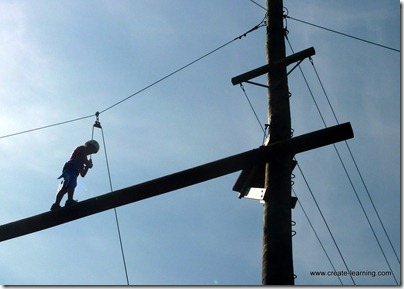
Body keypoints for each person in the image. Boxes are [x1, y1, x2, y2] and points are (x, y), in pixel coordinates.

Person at [50, 140, 100, 211]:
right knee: (71, 184)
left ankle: (56, 204)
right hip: (71, 167)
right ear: (88, 146)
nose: (90, 152)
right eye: (91, 149)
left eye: (92, 152)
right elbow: (83, 157)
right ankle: (69, 200)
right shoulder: (82, 148)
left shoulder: (82, 163)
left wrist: (87, 167)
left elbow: (83, 174)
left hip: (74, 170)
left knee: (65, 188)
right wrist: (88, 164)